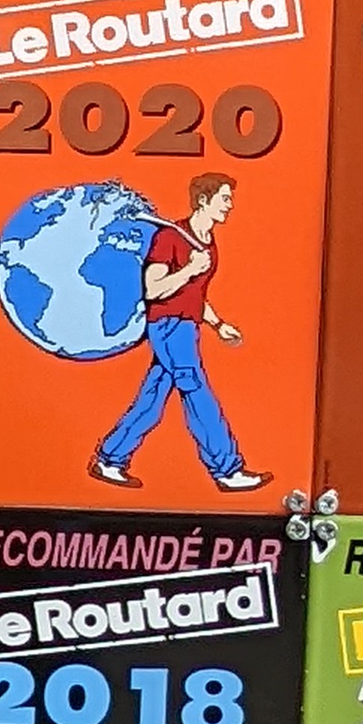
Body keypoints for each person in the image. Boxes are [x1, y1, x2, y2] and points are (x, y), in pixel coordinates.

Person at [90, 171, 271, 493]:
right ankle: (227, 468)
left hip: (187, 325)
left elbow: (194, 297)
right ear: (203, 200)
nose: (229, 205)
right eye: (224, 198)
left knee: (153, 398)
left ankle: (110, 458)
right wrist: (189, 269)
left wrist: (217, 324)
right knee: (197, 392)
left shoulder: (207, 244)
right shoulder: (170, 238)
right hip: (168, 326)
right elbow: (152, 289)